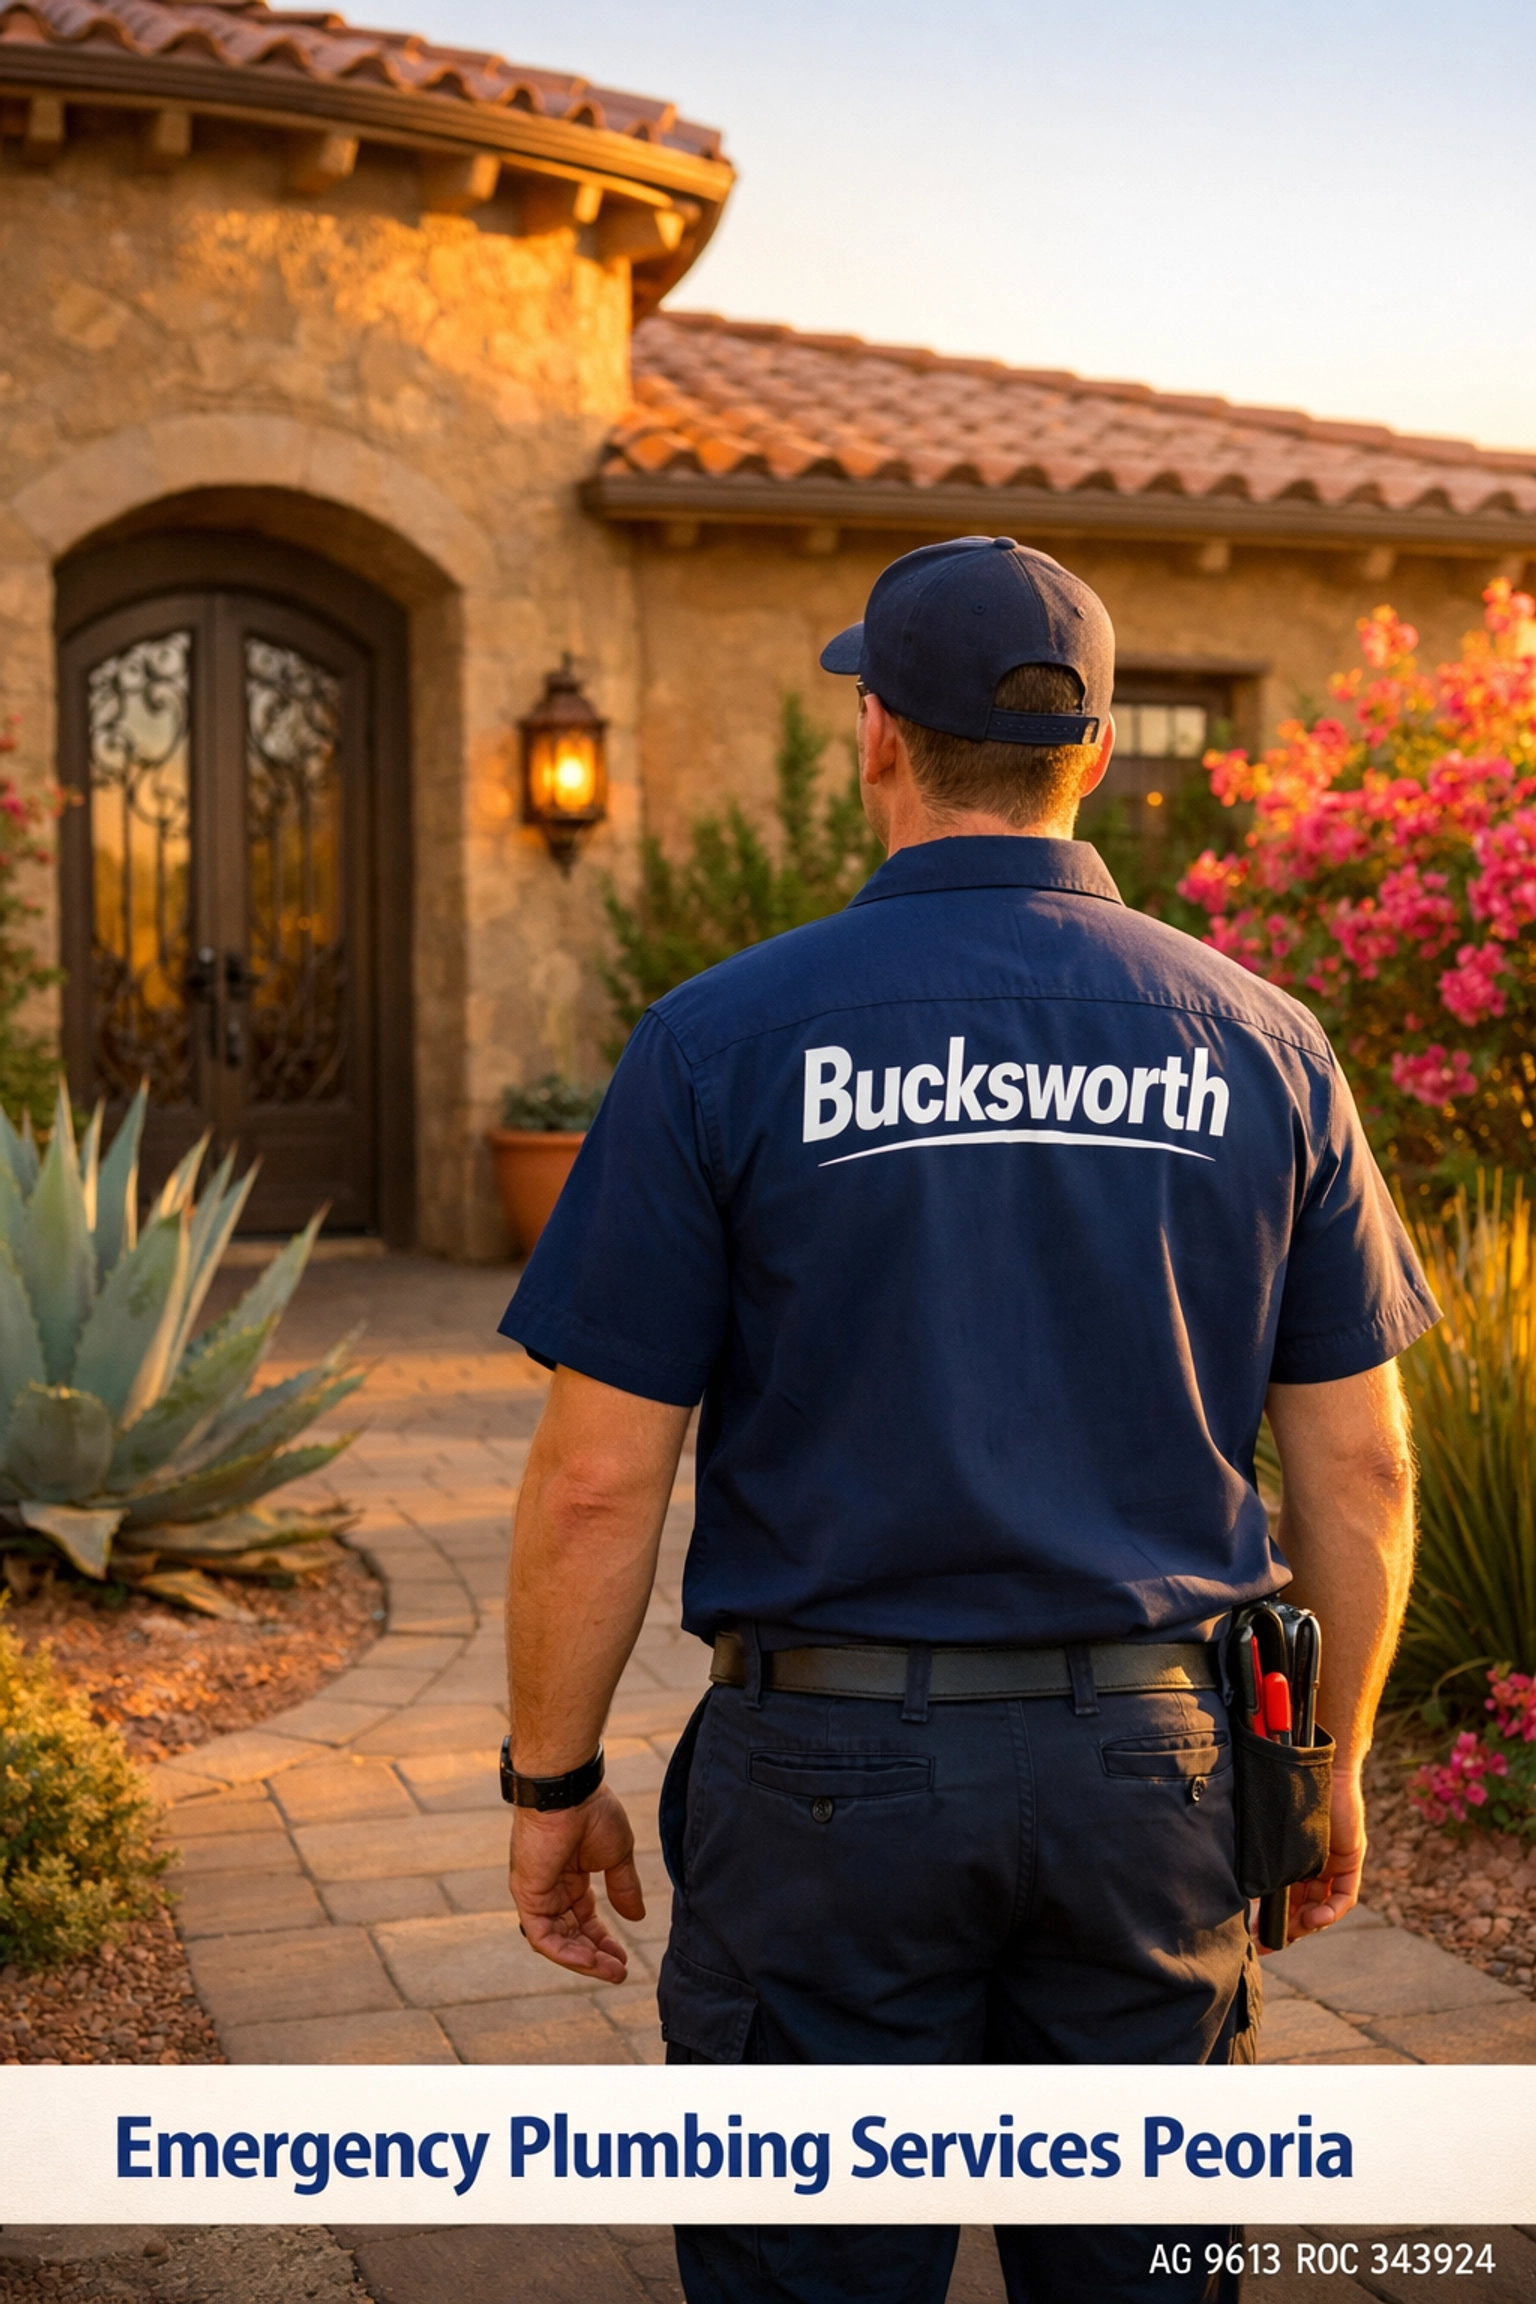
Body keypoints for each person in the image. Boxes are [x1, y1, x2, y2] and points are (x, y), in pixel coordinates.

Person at [498, 536, 1434, 2304]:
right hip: (1153, 1782)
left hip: (829, 1789)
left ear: (875, 736)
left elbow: (595, 1486)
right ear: (1091, 755)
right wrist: (1325, 1766)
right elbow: (1364, 1465)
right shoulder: (1265, 1045)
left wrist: (552, 1783)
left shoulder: (719, 1043)